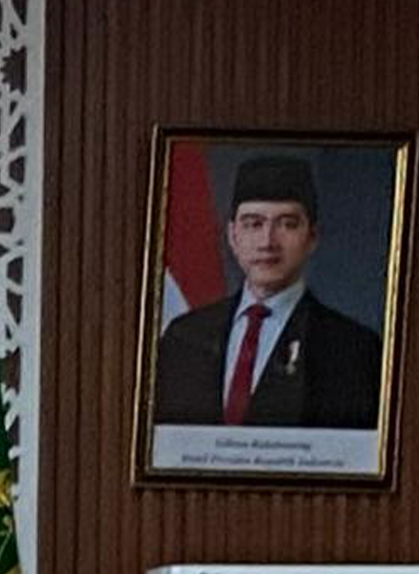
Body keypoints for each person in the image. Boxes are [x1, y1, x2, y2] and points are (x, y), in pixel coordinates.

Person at [150, 150, 386, 432]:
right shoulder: (183, 337)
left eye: (287, 224)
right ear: (232, 235)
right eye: (253, 224)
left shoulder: (353, 349)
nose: (267, 242)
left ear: (312, 237)